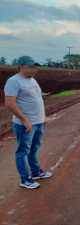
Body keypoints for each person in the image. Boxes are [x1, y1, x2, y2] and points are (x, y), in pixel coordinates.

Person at [4, 56, 52, 189]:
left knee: (34, 149)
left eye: (35, 67)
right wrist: (25, 120)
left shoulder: (32, 80)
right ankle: (25, 179)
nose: (34, 69)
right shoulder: (14, 81)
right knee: (22, 151)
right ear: (21, 66)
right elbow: (10, 103)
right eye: (31, 67)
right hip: (25, 124)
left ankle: (36, 172)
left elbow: (38, 99)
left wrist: (44, 116)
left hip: (39, 122)